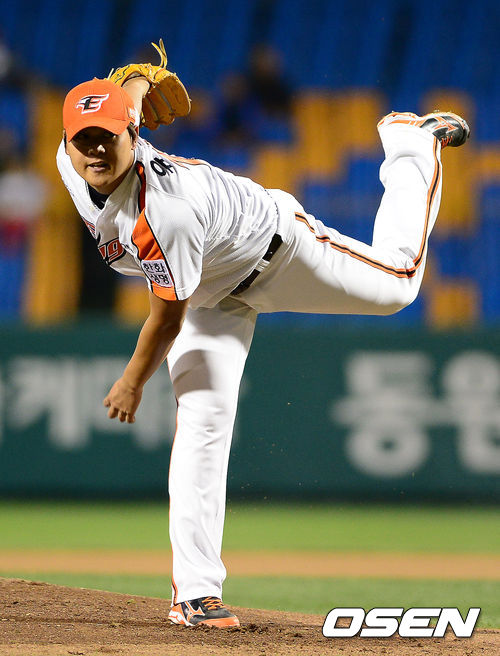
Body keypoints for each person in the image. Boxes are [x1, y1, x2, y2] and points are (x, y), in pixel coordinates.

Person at [57, 74, 469, 628]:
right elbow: (125, 96)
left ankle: (410, 144)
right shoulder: (73, 161)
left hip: (275, 252)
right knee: (204, 420)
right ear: (66, 142)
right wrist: (134, 79)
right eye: (83, 138)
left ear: (132, 135)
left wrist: (132, 381)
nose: (95, 150)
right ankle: (196, 595)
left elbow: (166, 319)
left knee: (399, 284)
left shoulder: (166, 212)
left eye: (107, 136)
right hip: (209, 291)